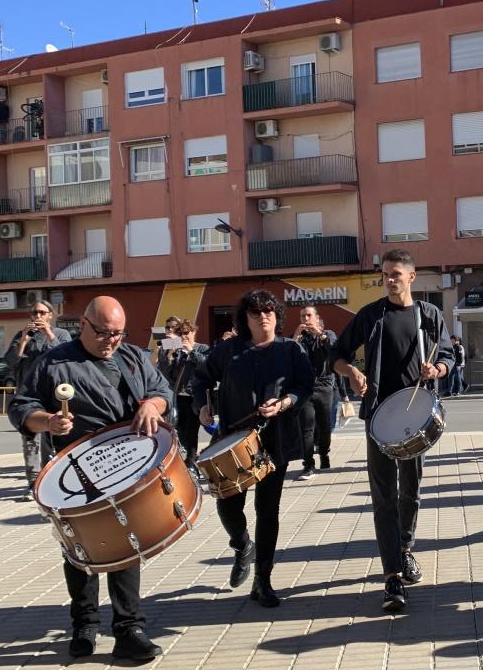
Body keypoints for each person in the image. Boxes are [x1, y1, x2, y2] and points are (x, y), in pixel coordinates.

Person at [8, 296, 172, 662]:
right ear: (83, 324)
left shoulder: (131, 357)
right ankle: (84, 625)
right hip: (76, 468)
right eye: (103, 332)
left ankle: (130, 628)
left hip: (126, 463)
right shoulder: (53, 361)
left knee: (124, 544)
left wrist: (150, 405)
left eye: (118, 333)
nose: (112, 340)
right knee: (80, 548)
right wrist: (47, 421)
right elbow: (21, 407)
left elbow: (163, 393)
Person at [332, 249, 454, 613]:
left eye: (396, 274)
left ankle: (405, 550)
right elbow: (337, 355)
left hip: (415, 416)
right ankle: (391, 576)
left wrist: (438, 370)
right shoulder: (371, 315)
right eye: (385, 274)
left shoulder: (428, 314)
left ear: (412, 277)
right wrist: (352, 372)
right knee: (384, 498)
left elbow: (448, 355)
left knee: (410, 492)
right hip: (378, 419)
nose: (390, 279)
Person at [192, 290, 314, 608]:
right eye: (256, 310)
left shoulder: (291, 349)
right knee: (228, 506)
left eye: (270, 309)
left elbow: (305, 385)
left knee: (267, 511)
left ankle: (263, 580)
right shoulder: (228, 350)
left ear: (277, 314)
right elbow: (201, 378)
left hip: (275, 440)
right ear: (245, 317)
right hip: (233, 440)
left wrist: (286, 402)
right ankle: (242, 544)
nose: (264, 315)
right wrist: (202, 406)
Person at [4, 303, 73, 501]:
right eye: (35, 312)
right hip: (29, 396)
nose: (38, 315)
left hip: (53, 395)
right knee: (30, 441)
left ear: (50, 315)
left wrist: (49, 333)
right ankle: (33, 484)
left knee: (52, 440)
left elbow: (66, 357)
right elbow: (10, 362)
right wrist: (23, 340)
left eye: (42, 312)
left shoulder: (61, 334)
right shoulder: (22, 335)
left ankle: (51, 481)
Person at [293, 306, 338, 476]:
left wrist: (320, 334)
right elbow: (290, 357)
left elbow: (335, 349)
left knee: (325, 426)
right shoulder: (298, 339)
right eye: (303, 315)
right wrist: (296, 337)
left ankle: (324, 454)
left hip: (324, 385)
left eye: (309, 315)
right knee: (306, 427)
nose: (306, 319)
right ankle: (308, 464)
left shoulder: (328, 333)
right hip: (304, 388)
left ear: (317, 317)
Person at [160, 319, 208, 471]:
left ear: (193, 332)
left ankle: (191, 462)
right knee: (180, 429)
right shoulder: (177, 351)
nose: (184, 337)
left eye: (187, 333)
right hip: (179, 397)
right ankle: (190, 458)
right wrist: (168, 354)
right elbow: (167, 373)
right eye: (180, 334)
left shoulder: (203, 348)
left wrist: (192, 352)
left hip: (196, 397)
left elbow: (206, 365)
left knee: (191, 430)